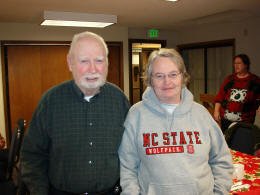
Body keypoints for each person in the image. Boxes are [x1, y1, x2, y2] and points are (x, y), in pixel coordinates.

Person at [20, 31, 130, 195]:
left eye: (99, 60)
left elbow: (131, 151)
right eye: (84, 61)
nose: (92, 69)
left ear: (107, 63)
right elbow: (32, 155)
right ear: (70, 63)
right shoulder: (51, 101)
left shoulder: (119, 99)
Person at [118, 48, 233, 195]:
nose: (167, 82)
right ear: (150, 80)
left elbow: (222, 160)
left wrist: (220, 192)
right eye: (159, 76)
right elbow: (127, 166)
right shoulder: (136, 115)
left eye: (173, 74)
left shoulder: (201, 114)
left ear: (182, 77)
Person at [214, 54, 260, 132]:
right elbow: (220, 97)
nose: (236, 65)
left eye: (239, 63)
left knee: (240, 142)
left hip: (244, 122)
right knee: (226, 141)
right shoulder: (229, 79)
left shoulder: (255, 81)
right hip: (225, 120)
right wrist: (216, 111)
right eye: (235, 63)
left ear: (246, 65)